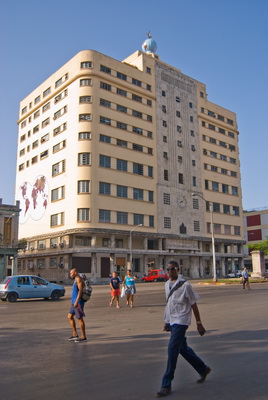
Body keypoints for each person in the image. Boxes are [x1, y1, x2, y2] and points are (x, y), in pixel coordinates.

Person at [156, 260, 211, 397]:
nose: (170, 272)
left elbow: (193, 305)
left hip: (182, 321)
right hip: (173, 320)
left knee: (172, 350)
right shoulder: (167, 285)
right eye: (168, 269)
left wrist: (199, 323)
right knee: (182, 348)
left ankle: (166, 384)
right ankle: (202, 369)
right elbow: (169, 305)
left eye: (172, 269)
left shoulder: (186, 285)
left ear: (178, 270)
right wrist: (167, 322)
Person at [67, 268, 87, 342]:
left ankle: (83, 337)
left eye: (71, 273)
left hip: (78, 302)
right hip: (74, 302)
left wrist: (76, 301)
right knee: (70, 316)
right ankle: (75, 334)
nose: (70, 275)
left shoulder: (78, 279)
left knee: (79, 318)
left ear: (75, 272)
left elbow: (80, 291)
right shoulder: (75, 279)